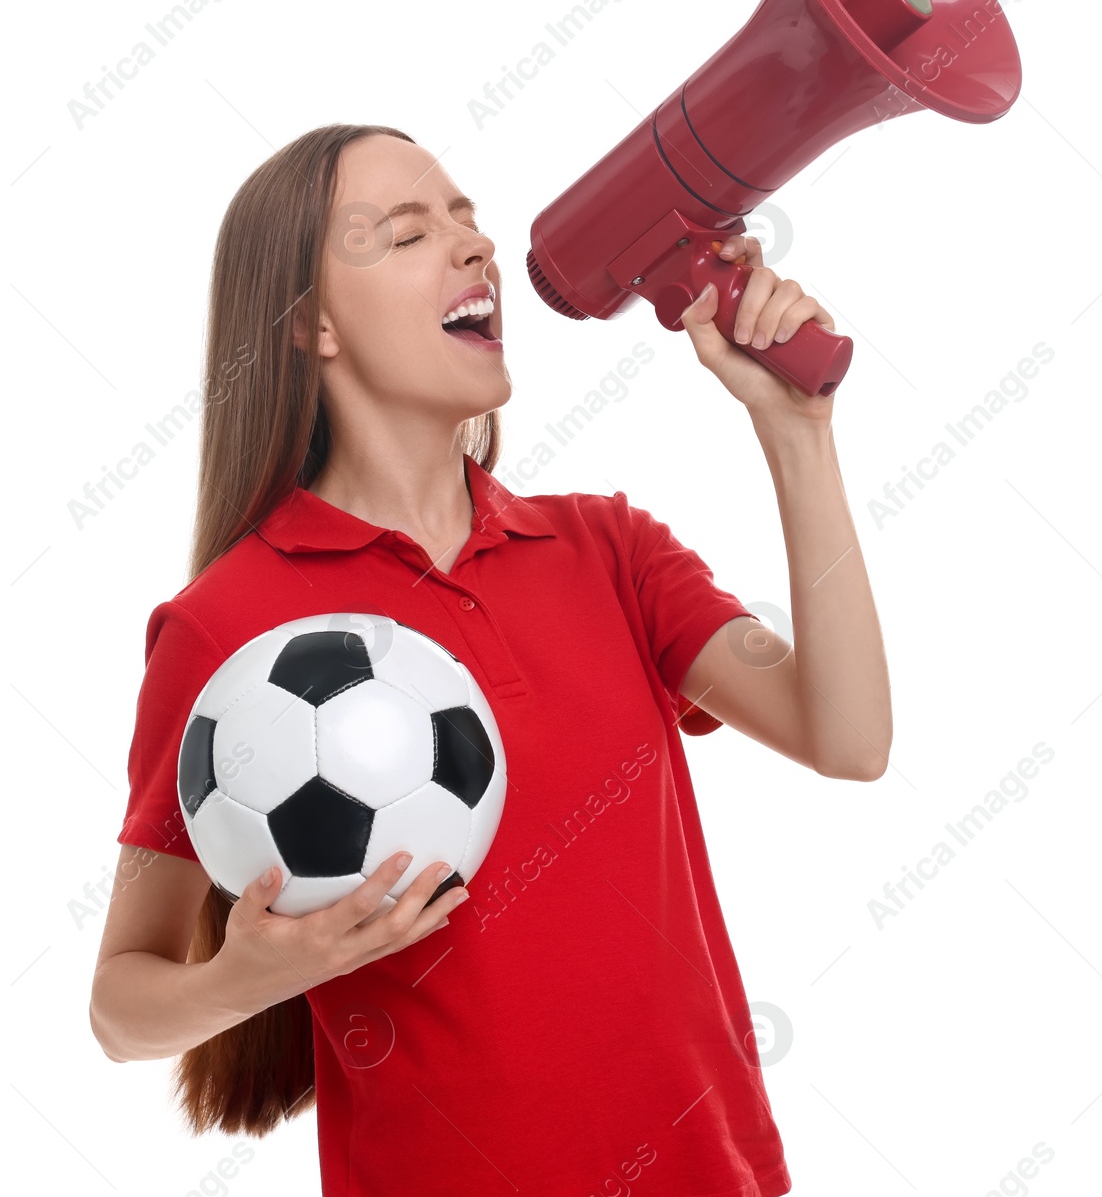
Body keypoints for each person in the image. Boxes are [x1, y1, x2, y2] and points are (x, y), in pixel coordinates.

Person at [88, 123, 892, 1195]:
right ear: (313, 325)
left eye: (470, 221)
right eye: (410, 232)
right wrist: (246, 976)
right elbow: (120, 1007)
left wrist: (798, 434)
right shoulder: (222, 625)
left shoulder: (608, 549)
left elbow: (849, 738)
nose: (476, 250)